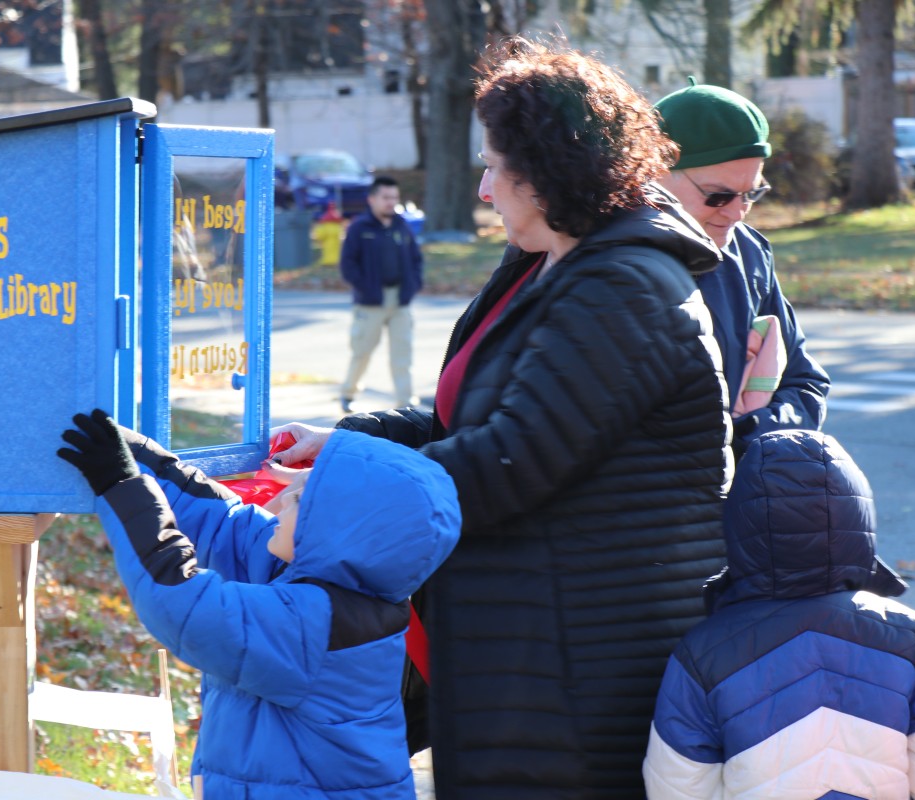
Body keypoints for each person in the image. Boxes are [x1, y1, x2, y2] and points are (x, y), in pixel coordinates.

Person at [265, 36, 733, 797]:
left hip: (581, 662)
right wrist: (348, 440)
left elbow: (509, 462)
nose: (483, 190)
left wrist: (343, 484)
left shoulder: (626, 286)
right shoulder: (550, 262)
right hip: (530, 643)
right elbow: (469, 419)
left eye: (492, 166)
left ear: (546, 169)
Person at [56, 409, 461, 800]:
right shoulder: (325, 577)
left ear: (338, 535)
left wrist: (122, 487)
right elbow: (223, 522)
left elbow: (183, 605)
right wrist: (133, 451)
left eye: (301, 499)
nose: (283, 500)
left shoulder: (317, 626)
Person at [643, 429, 915, 798]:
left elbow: (678, 785)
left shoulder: (704, 653)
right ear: (858, 517)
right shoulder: (907, 636)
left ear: (740, 524)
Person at [654, 80, 831, 458]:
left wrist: (745, 439)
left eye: (751, 193)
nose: (737, 213)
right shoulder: (609, 261)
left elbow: (804, 383)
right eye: (717, 196)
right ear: (655, 173)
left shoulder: (748, 252)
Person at [337, 175, 424, 413]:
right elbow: (347, 265)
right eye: (385, 197)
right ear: (372, 199)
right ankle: (348, 394)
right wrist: (365, 287)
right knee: (361, 353)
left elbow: (416, 260)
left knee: (402, 354)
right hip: (370, 303)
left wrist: (413, 285)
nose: (391, 202)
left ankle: (406, 402)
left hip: (400, 301)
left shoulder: (402, 226)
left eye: (394, 197)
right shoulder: (359, 228)